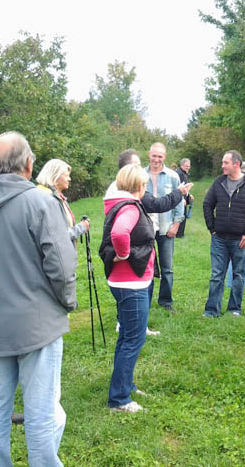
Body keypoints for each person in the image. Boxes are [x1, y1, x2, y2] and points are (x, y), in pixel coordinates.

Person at [0, 131, 78, 466]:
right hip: (38, 325)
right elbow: (62, 266)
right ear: (29, 164)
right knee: (41, 409)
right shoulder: (41, 203)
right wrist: (66, 303)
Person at [107, 149, 192, 336]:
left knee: (132, 288)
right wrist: (123, 253)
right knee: (137, 288)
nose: (141, 169)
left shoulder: (119, 188)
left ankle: (130, 323)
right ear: (127, 169)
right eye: (137, 166)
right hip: (135, 250)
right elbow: (156, 205)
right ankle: (131, 325)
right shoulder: (128, 192)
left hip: (134, 247)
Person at [99, 164, 155, 413]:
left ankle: (125, 384)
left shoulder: (117, 203)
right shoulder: (130, 207)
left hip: (124, 282)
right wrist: (123, 254)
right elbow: (120, 233)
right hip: (131, 283)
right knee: (134, 339)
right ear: (139, 186)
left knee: (126, 336)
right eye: (144, 185)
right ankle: (119, 399)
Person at [202, 150, 245, 317]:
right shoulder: (219, 182)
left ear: (236, 164)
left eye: (225, 163)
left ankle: (234, 309)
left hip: (240, 240)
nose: (222, 166)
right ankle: (211, 310)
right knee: (216, 275)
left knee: (238, 275)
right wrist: (211, 228)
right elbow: (207, 204)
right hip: (219, 238)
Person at [145, 142, 185, 312]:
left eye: (160, 156)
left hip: (166, 227)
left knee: (167, 267)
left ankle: (166, 301)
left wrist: (176, 224)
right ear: (149, 155)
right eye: (154, 155)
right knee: (146, 266)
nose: (156, 159)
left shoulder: (172, 176)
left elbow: (179, 201)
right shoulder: (140, 175)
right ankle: (145, 300)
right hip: (146, 229)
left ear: (165, 157)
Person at [35, 158, 90, 244]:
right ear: (54, 176)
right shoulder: (49, 199)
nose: (69, 179)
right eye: (66, 175)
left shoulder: (54, 196)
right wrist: (81, 227)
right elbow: (57, 236)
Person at [175, 158, 194, 238]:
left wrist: (189, 195)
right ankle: (179, 234)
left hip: (184, 197)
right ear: (181, 165)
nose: (188, 168)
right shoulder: (179, 173)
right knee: (181, 215)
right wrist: (182, 199)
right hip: (179, 198)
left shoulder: (185, 173)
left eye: (189, 166)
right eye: (186, 166)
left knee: (184, 215)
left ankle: (180, 233)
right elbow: (178, 187)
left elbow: (185, 187)